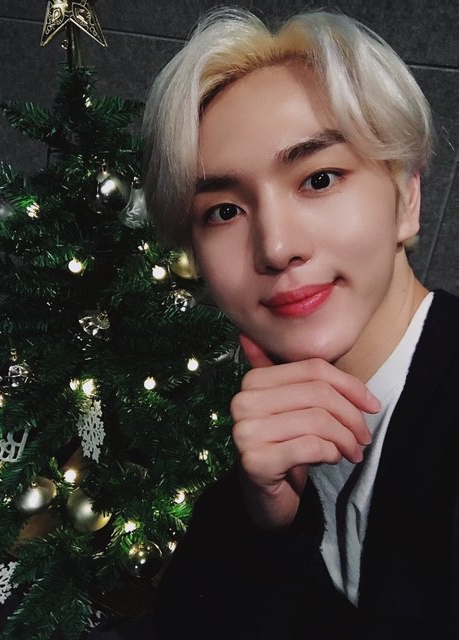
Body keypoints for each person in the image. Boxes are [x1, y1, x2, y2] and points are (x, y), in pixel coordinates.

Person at [138, 7, 459, 639]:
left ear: (407, 197)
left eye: (319, 178)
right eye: (224, 211)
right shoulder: (259, 452)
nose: (277, 247)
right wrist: (267, 524)